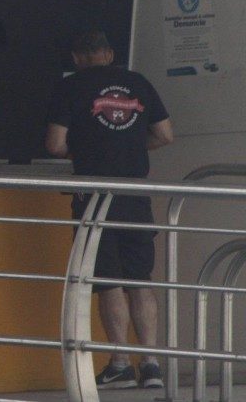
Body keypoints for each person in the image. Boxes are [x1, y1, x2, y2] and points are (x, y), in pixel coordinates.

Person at [45, 30, 174, 390]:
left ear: (76, 57)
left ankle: (119, 363)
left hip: (95, 196)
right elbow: (165, 135)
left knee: (108, 281)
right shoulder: (137, 82)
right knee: (139, 279)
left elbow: (55, 144)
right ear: (110, 53)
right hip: (135, 193)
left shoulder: (70, 87)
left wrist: (88, 152)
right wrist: (130, 149)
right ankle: (151, 365)